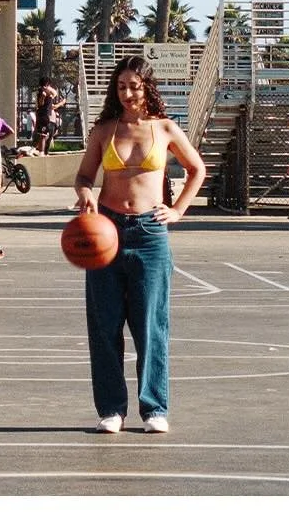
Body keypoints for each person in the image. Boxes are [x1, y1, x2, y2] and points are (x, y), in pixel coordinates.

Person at [72, 55, 206, 435]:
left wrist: (178, 210)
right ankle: (112, 409)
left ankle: (154, 407)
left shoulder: (164, 129)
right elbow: (84, 175)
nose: (127, 93)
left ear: (147, 87)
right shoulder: (104, 130)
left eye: (134, 85)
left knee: (151, 325)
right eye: (121, 86)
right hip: (107, 233)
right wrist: (86, 194)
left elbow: (197, 168)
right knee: (104, 325)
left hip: (150, 234)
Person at [33, 82, 64, 155]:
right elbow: (53, 105)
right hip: (47, 121)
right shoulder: (42, 98)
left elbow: (54, 94)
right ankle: (41, 152)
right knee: (43, 136)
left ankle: (45, 152)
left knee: (49, 138)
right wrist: (61, 103)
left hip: (52, 121)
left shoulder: (49, 98)